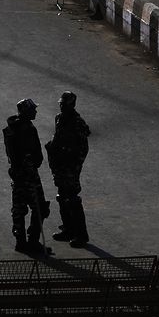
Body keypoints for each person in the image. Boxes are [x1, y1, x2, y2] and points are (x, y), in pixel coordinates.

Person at [45, 91, 91, 247]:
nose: (61, 106)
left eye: (64, 104)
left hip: (70, 167)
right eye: (61, 104)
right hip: (60, 165)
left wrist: (75, 166)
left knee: (72, 199)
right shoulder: (59, 119)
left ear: (71, 105)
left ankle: (81, 235)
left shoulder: (77, 122)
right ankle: (68, 229)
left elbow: (83, 148)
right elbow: (57, 138)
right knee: (62, 197)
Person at [4, 98, 49, 254]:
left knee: (19, 209)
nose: (35, 111)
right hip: (28, 175)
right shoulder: (26, 130)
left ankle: (21, 241)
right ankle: (32, 241)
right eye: (32, 109)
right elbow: (33, 155)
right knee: (39, 207)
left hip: (19, 175)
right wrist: (31, 164)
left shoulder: (13, 128)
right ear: (26, 112)